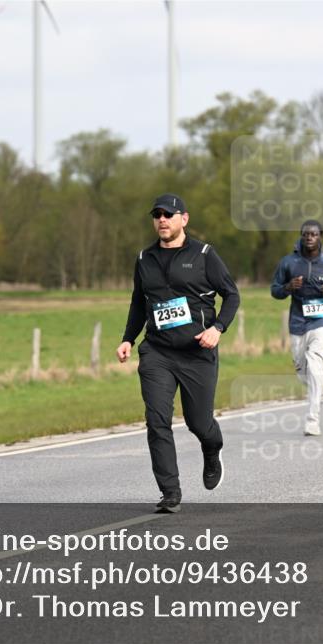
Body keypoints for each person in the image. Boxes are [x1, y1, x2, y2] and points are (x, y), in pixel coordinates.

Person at [116, 194, 240, 512]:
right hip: (157, 351)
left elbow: (231, 295)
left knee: (199, 423)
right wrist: (128, 338)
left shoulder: (204, 254)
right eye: (157, 215)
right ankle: (170, 492)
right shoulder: (145, 258)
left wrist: (218, 329)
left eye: (168, 215)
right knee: (157, 420)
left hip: (197, 352)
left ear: (183, 219)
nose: (162, 220)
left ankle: (212, 449)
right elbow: (137, 302)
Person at [271, 220, 323, 436]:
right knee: (301, 370)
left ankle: (312, 420)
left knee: (315, 364)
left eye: (313, 234)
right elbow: (274, 290)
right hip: (297, 322)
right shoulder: (288, 263)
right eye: (305, 234)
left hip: (322, 323)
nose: (309, 237)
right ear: (301, 236)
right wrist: (288, 287)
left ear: (320, 236)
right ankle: (320, 388)